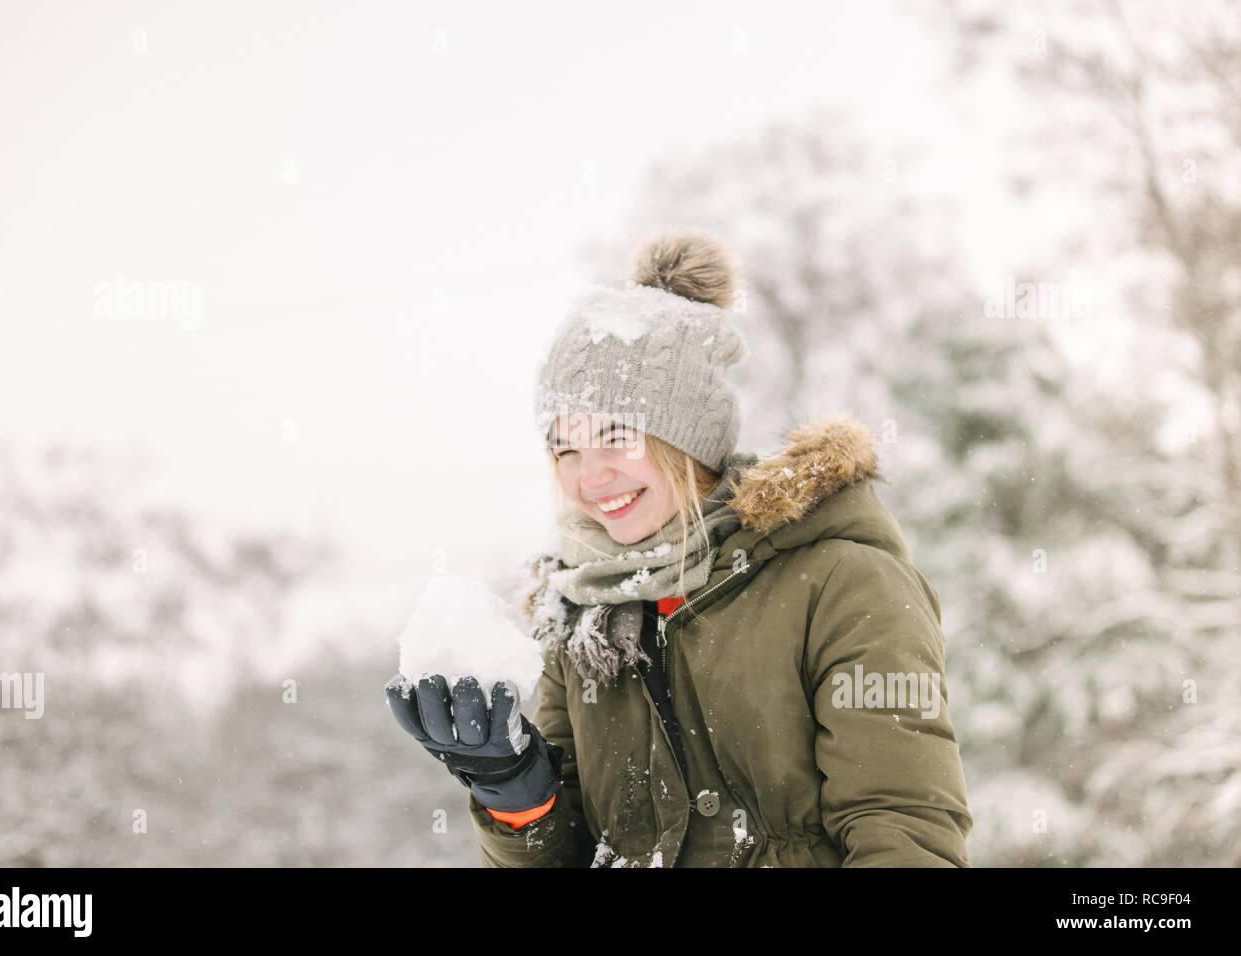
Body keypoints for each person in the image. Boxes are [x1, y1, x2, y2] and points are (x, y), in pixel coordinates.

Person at [386, 227, 973, 867]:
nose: (589, 477)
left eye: (617, 438)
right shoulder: (581, 610)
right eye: (566, 449)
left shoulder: (842, 584)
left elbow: (905, 831)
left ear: (687, 440)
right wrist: (516, 795)